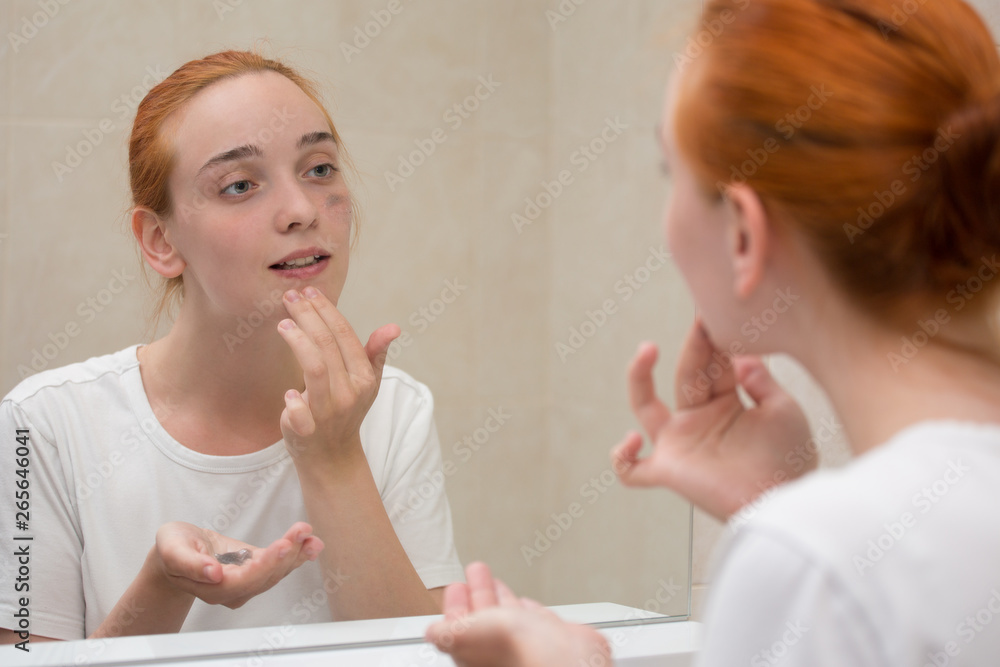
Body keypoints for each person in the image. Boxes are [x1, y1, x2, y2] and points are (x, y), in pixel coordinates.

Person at [425, 0, 1000, 664]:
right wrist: (779, 504)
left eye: (672, 174)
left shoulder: (814, 565)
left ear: (744, 235)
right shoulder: (838, 552)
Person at [0, 51, 463, 644]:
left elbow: (426, 660)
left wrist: (334, 457)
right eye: (239, 185)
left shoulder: (394, 410)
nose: (300, 211)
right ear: (162, 240)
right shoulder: (40, 427)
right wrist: (164, 586)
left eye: (319, 169)